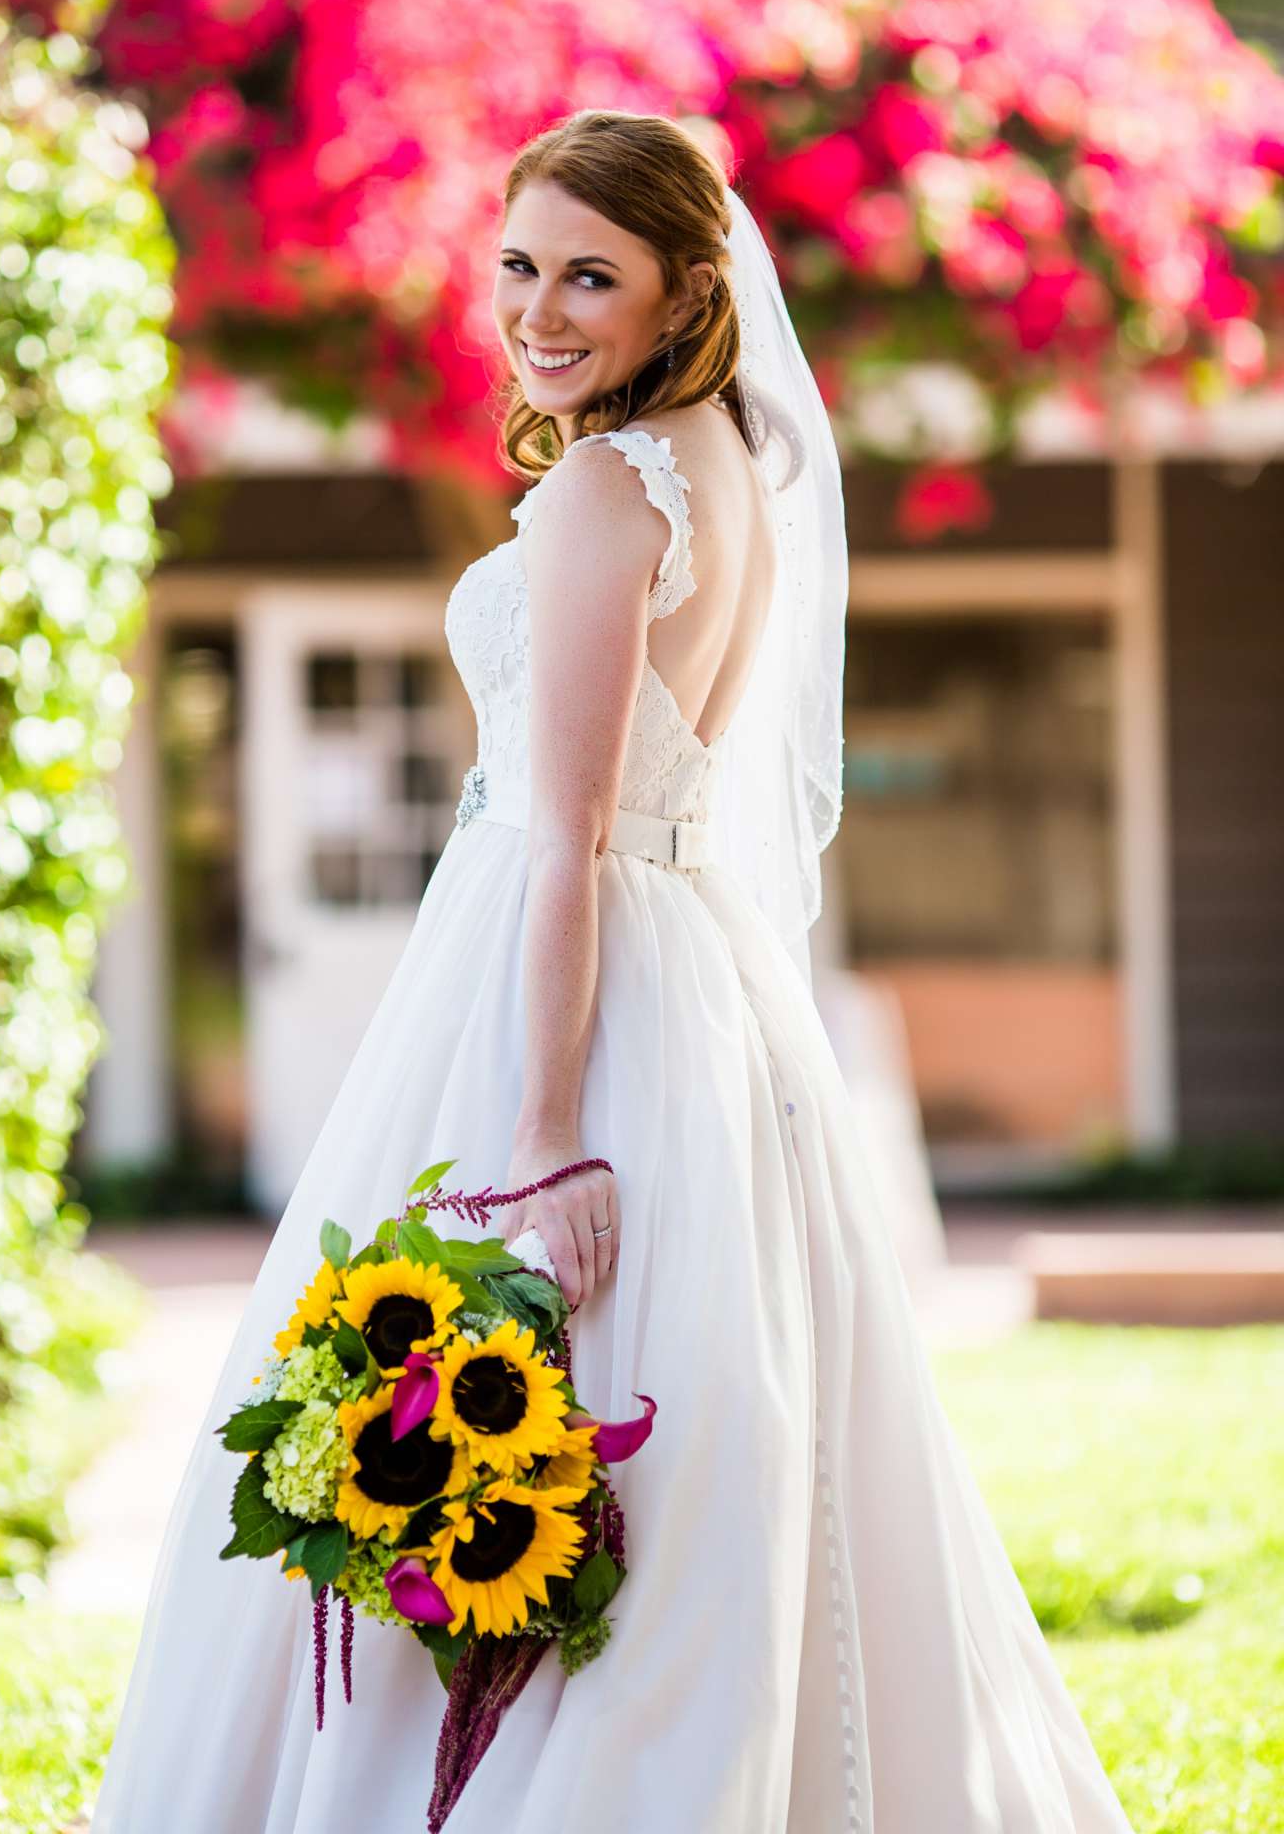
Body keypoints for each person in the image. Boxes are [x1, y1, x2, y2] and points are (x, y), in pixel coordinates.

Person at [88, 109, 1134, 1832]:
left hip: (575, 970)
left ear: (683, 295)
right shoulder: (732, 465)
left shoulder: (601, 484)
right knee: (720, 1421)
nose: (541, 311)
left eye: (593, 275)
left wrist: (550, 1129)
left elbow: (564, 831)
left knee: (573, 1393)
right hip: (693, 972)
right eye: (519, 267)